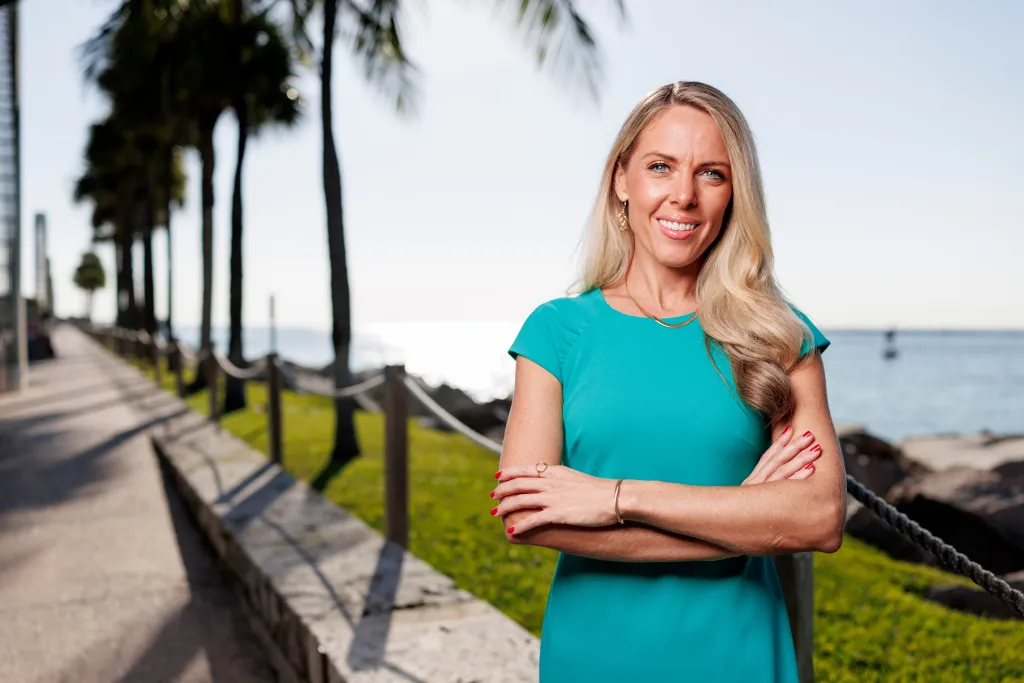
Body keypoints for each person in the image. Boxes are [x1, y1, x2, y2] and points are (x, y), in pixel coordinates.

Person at [491, 81, 847, 682]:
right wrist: (746, 523)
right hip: (594, 658)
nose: (683, 196)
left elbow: (818, 519)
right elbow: (530, 516)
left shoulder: (778, 335)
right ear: (621, 181)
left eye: (712, 174)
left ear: (735, 195)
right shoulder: (557, 331)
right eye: (661, 167)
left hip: (739, 657)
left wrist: (614, 498)